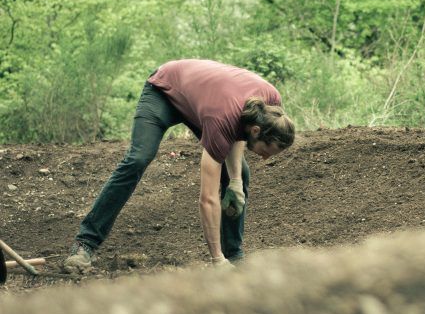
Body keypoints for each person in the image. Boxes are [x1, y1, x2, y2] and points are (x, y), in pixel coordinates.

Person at [63, 59, 295, 273]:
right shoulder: (221, 118)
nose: (265, 158)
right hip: (164, 89)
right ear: (257, 131)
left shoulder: (272, 107)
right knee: (138, 158)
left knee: (240, 173)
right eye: (266, 151)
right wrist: (216, 261)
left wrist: (235, 181)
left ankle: (234, 256)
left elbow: (238, 131)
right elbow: (208, 199)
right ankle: (85, 243)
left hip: (204, 99)